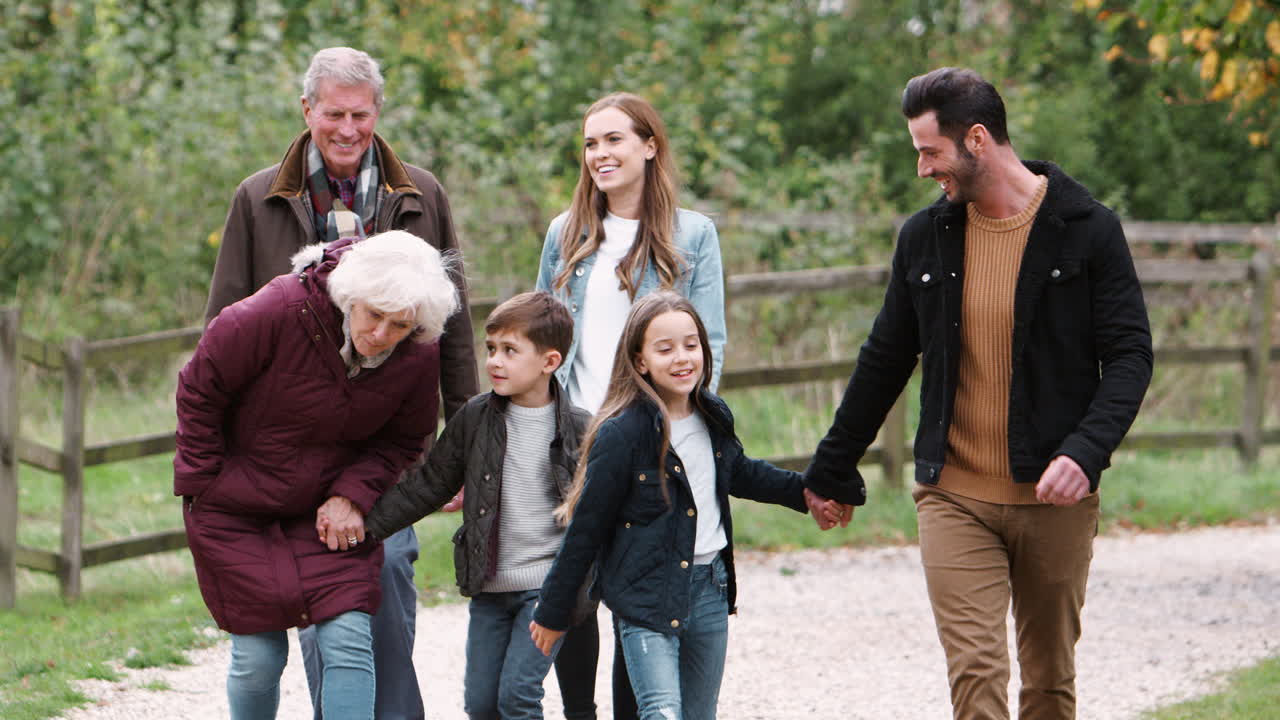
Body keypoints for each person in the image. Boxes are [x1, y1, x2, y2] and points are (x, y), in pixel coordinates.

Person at [804, 67, 1154, 719]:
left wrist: (1086, 452)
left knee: (1048, 682)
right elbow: (885, 357)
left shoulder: (1088, 229)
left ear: (977, 140)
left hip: (1054, 498)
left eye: (929, 152)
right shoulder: (924, 237)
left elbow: (1131, 356)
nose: (921, 170)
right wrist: (832, 464)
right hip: (954, 494)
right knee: (977, 671)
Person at [204, 46, 479, 720]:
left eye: (360, 114)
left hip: (384, 436)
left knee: (381, 573)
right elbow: (221, 330)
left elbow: (456, 330)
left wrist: (471, 445)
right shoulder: (257, 197)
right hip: (282, 441)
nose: (348, 129)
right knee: (291, 600)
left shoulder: (422, 194)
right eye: (334, 114)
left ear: (378, 112)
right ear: (307, 111)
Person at [175, 231, 461, 720]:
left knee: (349, 642)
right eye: (373, 315)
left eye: (399, 325)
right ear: (351, 296)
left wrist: (352, 495)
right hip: (238, 508)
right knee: (258, 658)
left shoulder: (417, 350)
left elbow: (402, 440)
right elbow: (200, 388)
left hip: (326, 511)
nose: (380, 334)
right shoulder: (275, 312)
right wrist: (207, 485)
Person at [529, 291, 848, 720]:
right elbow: (585, 530)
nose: (682, 357)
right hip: (645, 594)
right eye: (665, 349)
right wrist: (554, 611)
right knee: (662, 711)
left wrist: (805, 492)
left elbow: (742, 472)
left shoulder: (712, 416)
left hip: (710, 589)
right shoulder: (621, 435)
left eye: (690, 344)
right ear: (640, 361)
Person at [535, 91, 726, 720]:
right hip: (576, 435)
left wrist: (691, 432)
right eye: (591, 143)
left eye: (614, 139)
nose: (600, 154)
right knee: (578, 590)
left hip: (651, 440)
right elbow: (544, 335)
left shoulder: (693, 233)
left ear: (649, 145)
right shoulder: (565, 235)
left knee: (638, 594)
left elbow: (710, 343)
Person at [360, 291, 594, 719]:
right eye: (491, 349)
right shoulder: (475, 418)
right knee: (482, 706)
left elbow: (605, 510)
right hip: (489, 588)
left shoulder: (582, 429)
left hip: (547, 590)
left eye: (510, 351)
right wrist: (366, 526)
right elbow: (429, 484)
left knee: (517, 699)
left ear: (550, 362)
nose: (495, 362)